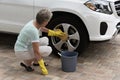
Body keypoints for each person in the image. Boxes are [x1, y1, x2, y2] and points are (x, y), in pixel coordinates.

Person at [14, 8, 65, 75]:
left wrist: (54, 33)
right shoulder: (33, 31)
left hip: (24, 45)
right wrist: (42, 67)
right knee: (48, 50)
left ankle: (35, 62)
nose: (48, 22)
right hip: (21, 51)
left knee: (45, 40)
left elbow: (41, 28)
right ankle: (27, 63)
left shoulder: (34, 22)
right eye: (48, 21)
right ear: (44, 22)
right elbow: (36, 52)